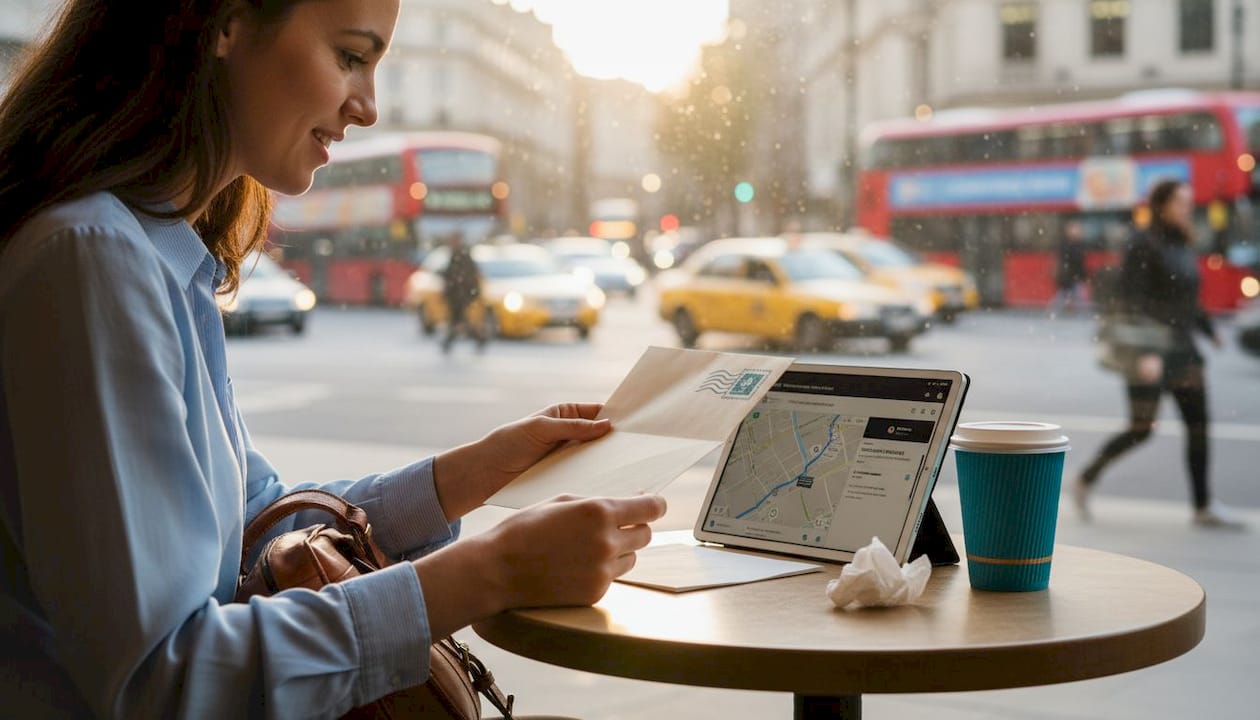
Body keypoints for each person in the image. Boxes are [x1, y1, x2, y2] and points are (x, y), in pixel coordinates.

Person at [0, 2, 665, 717]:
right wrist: (490, 572)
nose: (369, 108)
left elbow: (253, 522)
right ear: (225, 24)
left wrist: (469, 475)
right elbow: (162, 679)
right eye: (351, 57)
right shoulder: (94, 258)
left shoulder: (155, 257)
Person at [1071, 180, 1244, 529]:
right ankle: (1085, 479)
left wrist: (1209, 331)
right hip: (1148, 351)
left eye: (1188, 201)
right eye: (1181, 201)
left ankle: (1203, 506)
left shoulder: (1182, 242)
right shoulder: (1141, 243)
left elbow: (1186, 299)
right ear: (1161, 204)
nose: (1186, 207)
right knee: (1141, 428)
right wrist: (1146, 352)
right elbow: (1130, 301)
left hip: (1183, 351)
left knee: (1198, 426)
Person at [441, 231, 486, 353]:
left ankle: (449, 342)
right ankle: (478, 339)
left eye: (454, 240)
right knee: (460, 321)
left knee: (459, 321)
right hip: (456, 295)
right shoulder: (455, 254)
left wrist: (464, 291)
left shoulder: (462, 255)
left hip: (461, 295)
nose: (452, 243)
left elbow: (465, 277)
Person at [1050, 219, 1089, 316]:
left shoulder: (1076, 244)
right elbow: (1074, 261)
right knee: (1071, 296)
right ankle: (1053, 313)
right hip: (1069, 276)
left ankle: (1053, 313)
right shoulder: (1068, 245)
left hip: (1073, 276)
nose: (1078, 232)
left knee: (1068, 296)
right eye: (1075, 229)